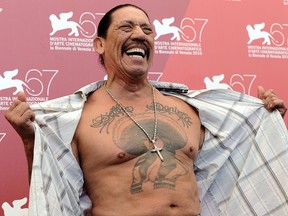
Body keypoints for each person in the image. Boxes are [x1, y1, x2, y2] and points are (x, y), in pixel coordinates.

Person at [5, 4, 288, 216]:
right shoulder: (77, 118)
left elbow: (239, 157)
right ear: (100, 44)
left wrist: (264, 121)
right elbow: (50, 194)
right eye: (126, 28)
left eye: (147, 30)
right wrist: (30, 141)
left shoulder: (190, 109)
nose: (139, 35)